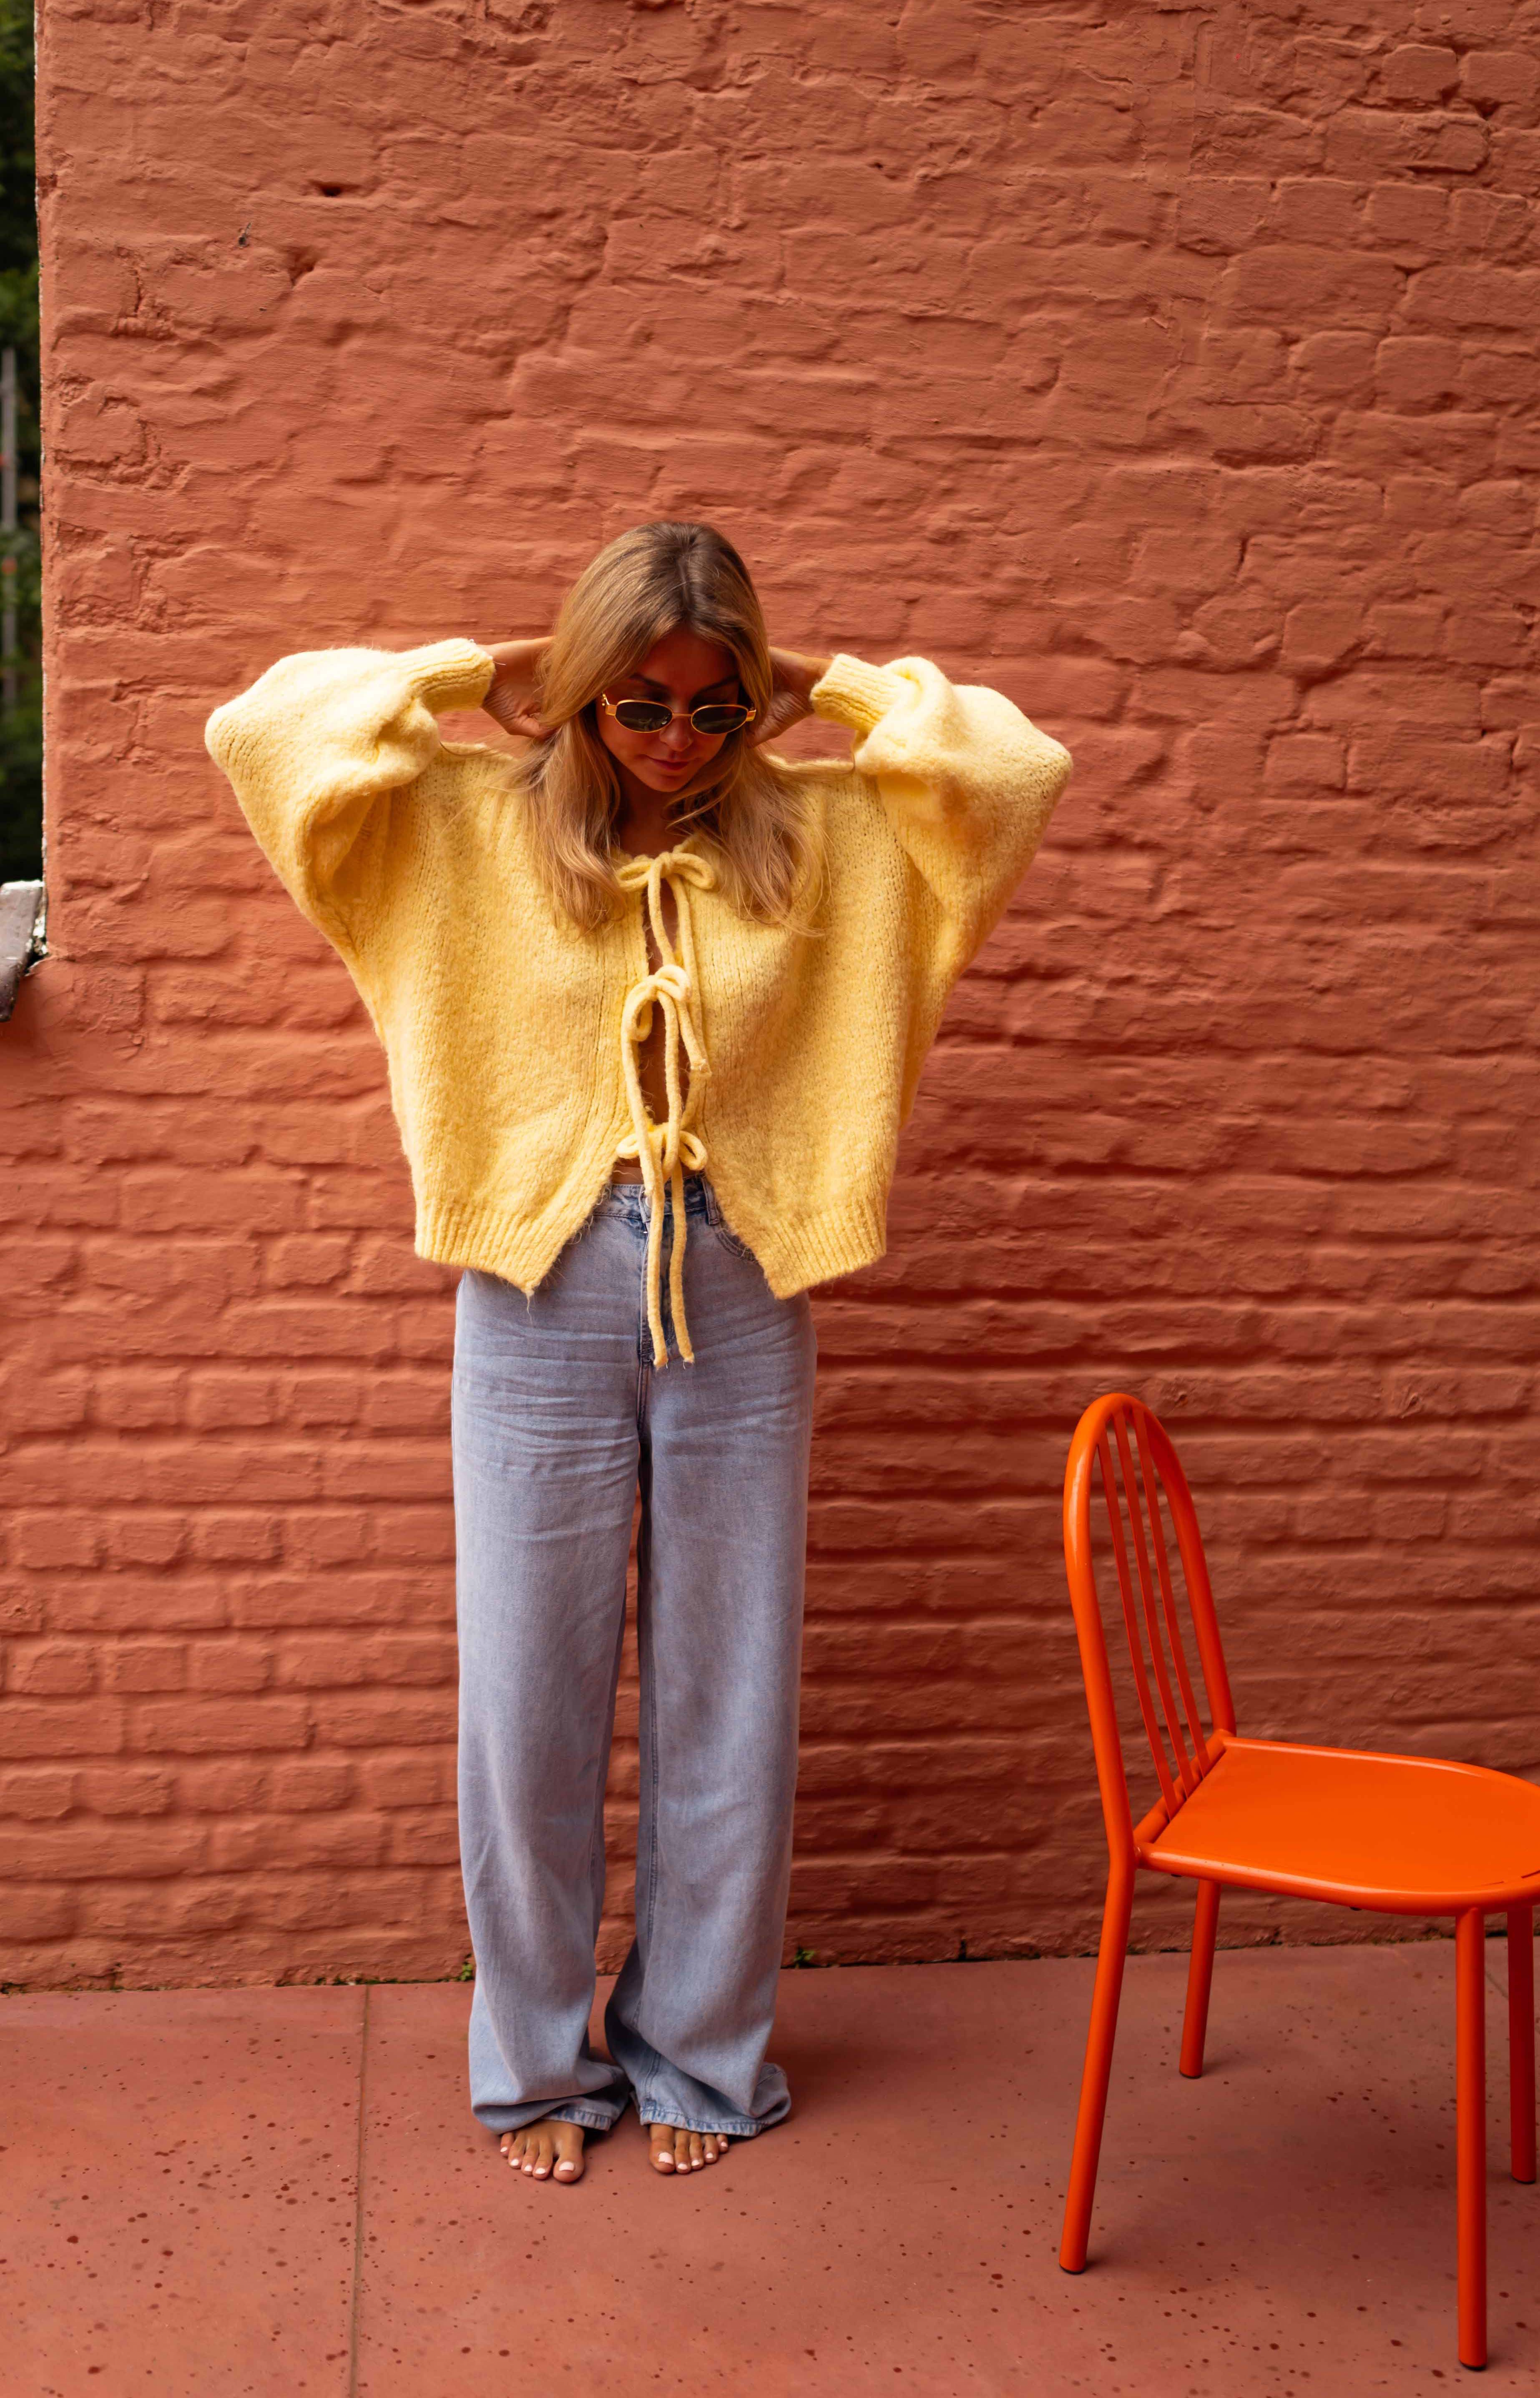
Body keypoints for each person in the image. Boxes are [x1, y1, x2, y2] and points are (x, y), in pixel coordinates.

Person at [205, 519, 1073, 2190]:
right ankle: (536, 2067)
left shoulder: (825, 839)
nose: (675, 741)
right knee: (526, 1697)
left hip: (745, 1276)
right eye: (637, 705)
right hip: (533, 1280)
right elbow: (268, 733)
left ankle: (699, 2054)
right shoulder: (457, 826)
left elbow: (1008, 772)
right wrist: (487, 678)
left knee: (726, 1692)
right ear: (584, 696)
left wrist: (820, 688)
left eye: (711, 708)